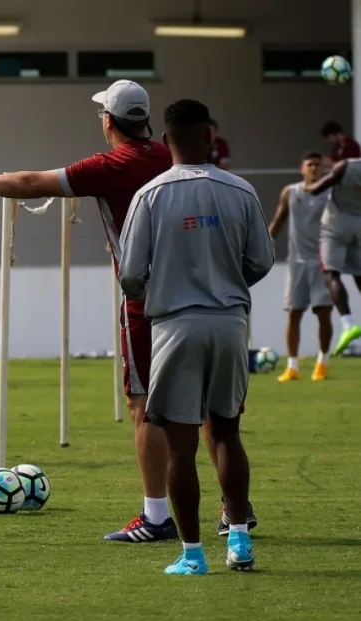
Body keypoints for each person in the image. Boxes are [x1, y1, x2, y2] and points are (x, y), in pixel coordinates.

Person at [0, 79, 185, 542]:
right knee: (209, 405)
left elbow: (28, 183)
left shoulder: (111, 164)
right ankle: (235, 511)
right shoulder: (173, 157)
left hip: (146, 302)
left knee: (145, 405)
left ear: (108, 121)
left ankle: (156, 516)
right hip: (203, 296)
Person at [118, 98, 275, 575]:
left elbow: (129, 275)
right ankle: (241, 542)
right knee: (227, 432)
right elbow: (262, 261)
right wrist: (224, 284)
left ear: (165, 141)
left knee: (181, 445)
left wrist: (169, 284)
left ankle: (192, 555)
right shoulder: (241, 190)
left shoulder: (150, 195)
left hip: (174, 325)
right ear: (211, 136)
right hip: (230, 322)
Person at [269, 152, 332, 381]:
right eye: (310, 164)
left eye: (318, 165)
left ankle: (322, 363)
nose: (314, 168)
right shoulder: (290, 192)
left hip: (324, 262)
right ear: (302, 169)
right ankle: (292, 367)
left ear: (324, 170)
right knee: (294, 313)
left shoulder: (331, 194)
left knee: (323, 312)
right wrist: (261, 245)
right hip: (297, 263)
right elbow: (278, 222)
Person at [306, 158, 361, 354]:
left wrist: (309, 185)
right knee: (359, 274)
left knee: (331, 273)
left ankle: (348, 324)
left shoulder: (347, 166)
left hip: (336, 225)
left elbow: (316, 189)